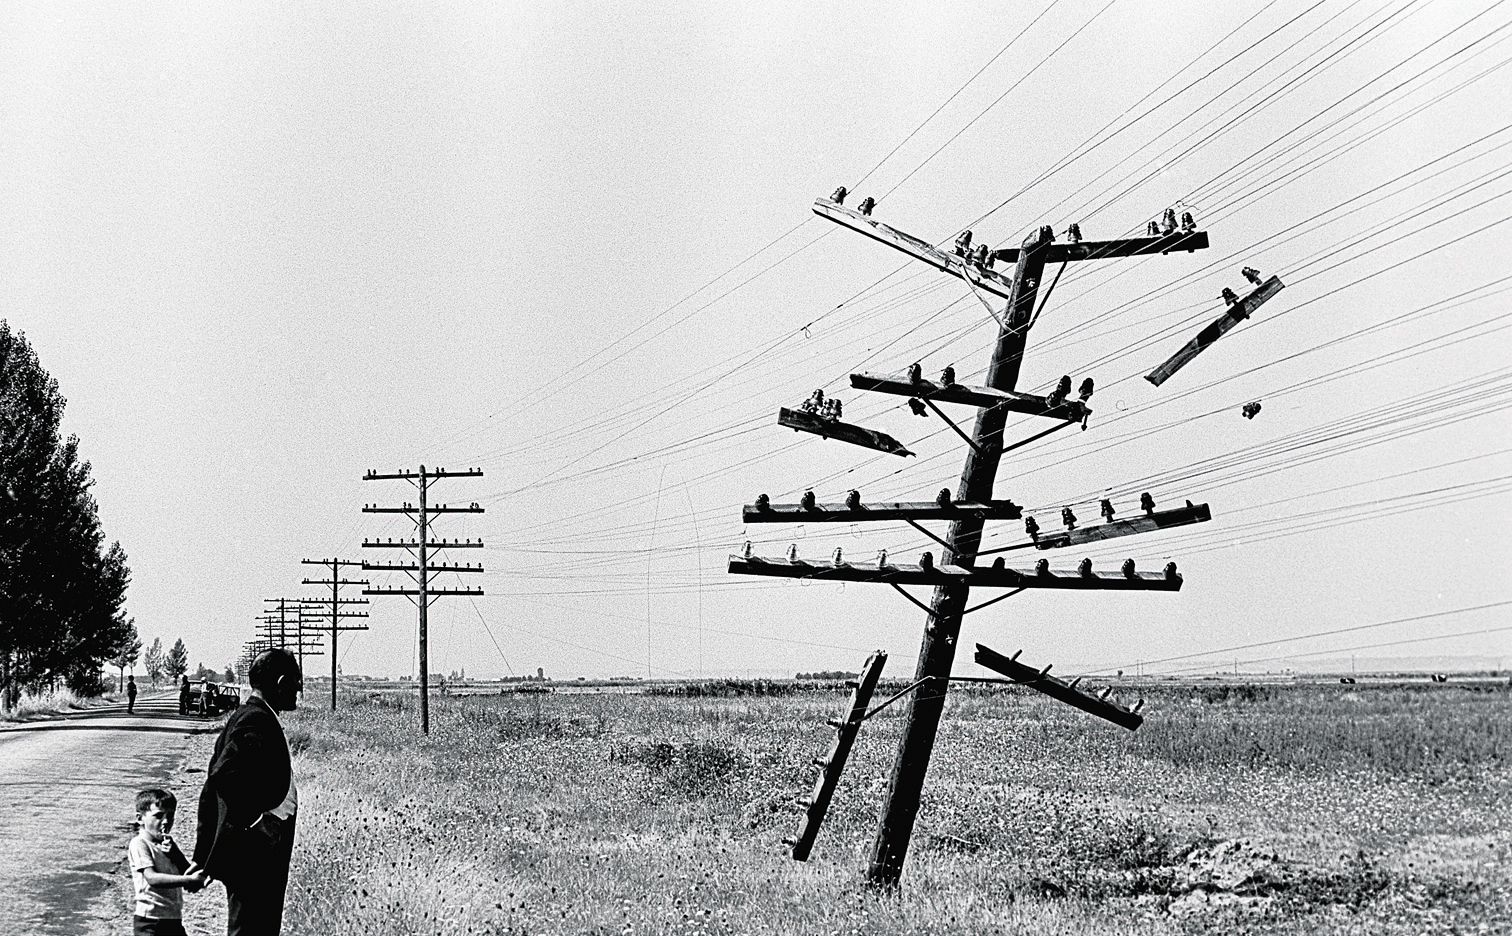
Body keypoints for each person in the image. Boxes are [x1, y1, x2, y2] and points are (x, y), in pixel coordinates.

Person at [194, 648, 302, 936]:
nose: (299, 689)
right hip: (254, 852)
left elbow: (218, 781)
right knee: (252, 929)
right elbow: (224, 774)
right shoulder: (255, 719)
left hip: (258, 851)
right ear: (280, 683)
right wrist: (257, 822)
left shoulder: (253, 715)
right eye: (296, 681)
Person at [129, 788, 208, 936]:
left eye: (170, 816)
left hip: (172, 918)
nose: (166, 821)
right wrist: (188, 880)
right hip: (150, 921)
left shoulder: (167, 845)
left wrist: (176, 854)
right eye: (158, 816)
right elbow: (152, 878)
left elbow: (187, 871)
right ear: (140, 818)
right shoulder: (140, 843)